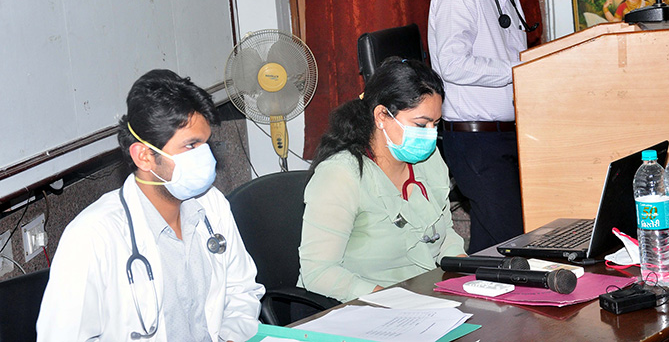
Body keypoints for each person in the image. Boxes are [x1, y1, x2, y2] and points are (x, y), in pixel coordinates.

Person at [37, 69, 265, 342]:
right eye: (191, 146)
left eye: (205, 143)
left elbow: (241, 292)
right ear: (144, 156)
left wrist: (230, 337)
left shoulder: (211, 206)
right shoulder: (92, 236)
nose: (206, 157)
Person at [297, 58, 466, 303]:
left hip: (424, 298)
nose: (430, 134)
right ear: (381, 116)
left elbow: (444, 232)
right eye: (421, 124)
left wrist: (464, 274)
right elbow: (318, 273)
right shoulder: (340, 175)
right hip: (362, 307)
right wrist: (394, 302)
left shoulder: (428, 159)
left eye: (435, 124)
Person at [427, 0, 539, 253]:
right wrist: (519, 68)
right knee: (513, 242)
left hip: (509, 136)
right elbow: (452, 64)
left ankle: (479, 303)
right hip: (476, 139)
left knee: (494, 247)